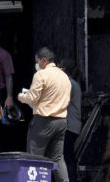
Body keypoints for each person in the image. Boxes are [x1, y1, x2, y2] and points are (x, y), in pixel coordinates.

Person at [18, 47, 71, 182]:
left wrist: (22, 97)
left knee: (34, 157)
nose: (37, 65)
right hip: (61, 121)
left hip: (43, 122)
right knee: (58, 158)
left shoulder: (41, 75)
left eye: (37, 61)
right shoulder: (64, 76)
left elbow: (33, 98)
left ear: (44, 60)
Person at [59, 59, 82, 182]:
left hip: (68, 127)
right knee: (67, 157)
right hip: (71, 126)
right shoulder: (72, 83)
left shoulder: (69, 84)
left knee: (67, 157)